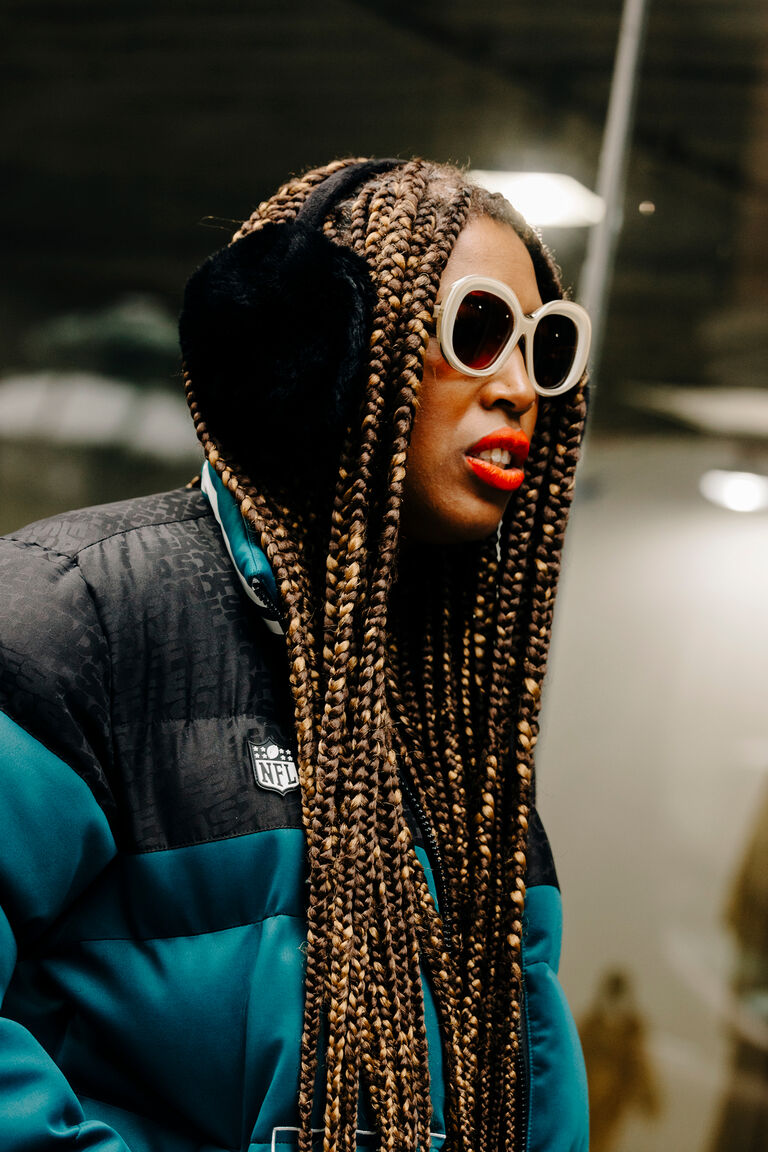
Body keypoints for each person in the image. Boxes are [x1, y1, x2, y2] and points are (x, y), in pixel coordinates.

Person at [0, 157, 590, 1152]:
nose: (521, 387)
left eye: (550, 346)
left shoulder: (456, 717)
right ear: (324, 346)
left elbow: (527, 1081)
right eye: (480, 328)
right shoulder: (80, 614)